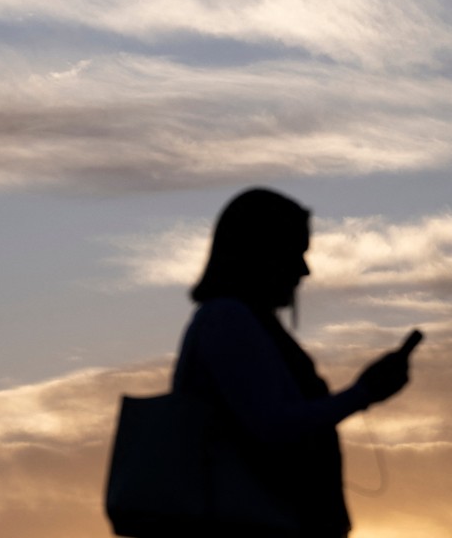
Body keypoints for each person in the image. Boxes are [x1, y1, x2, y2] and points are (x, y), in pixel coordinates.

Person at [172, 188, 415, 537]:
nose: (305, 270)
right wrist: (362, 394)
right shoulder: (226, 319)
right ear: (260, 252)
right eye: (295, 252)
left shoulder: (242, 322)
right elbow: (272, 425)